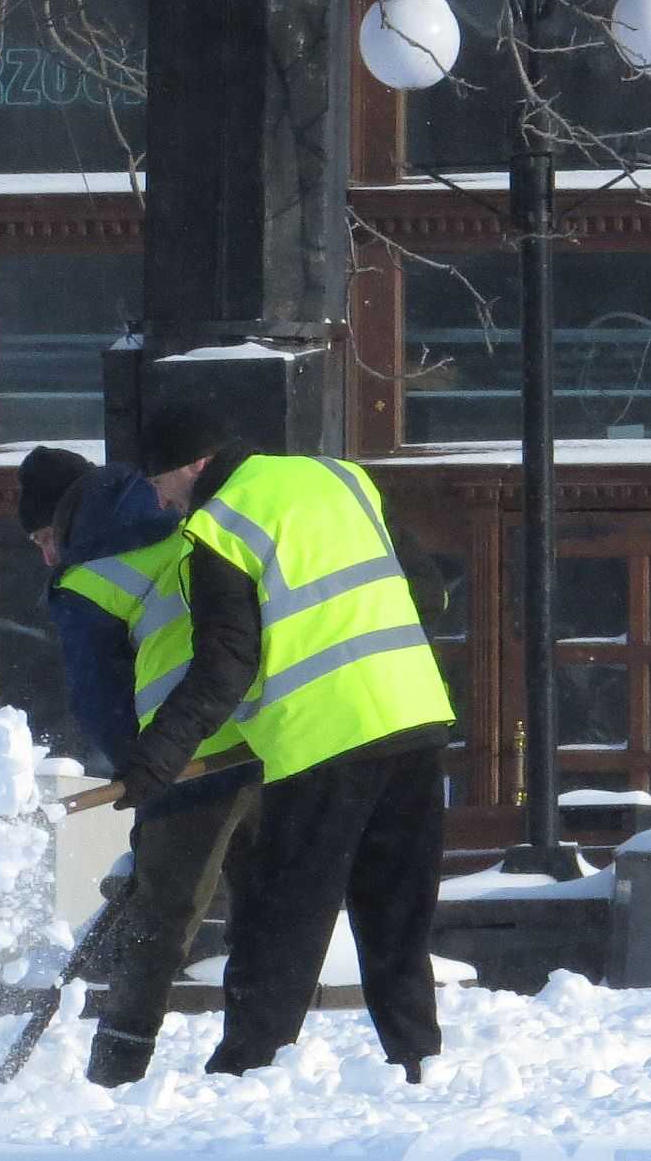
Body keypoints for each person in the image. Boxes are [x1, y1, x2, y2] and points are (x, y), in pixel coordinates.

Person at [114, 405, 455, 1084]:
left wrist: (158, 755)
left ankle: (246, 1067)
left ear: (193, 465)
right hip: (414, 714)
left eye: (158, 483)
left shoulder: (219, 527)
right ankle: (416, 1060)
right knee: (396, 908)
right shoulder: (340, 479)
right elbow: (425, 590)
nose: (159, 500)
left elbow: (222, 664)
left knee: (283, 913)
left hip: (321, 740)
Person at [15, 445, 264, 1089]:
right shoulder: (188, 519)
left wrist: (141, 777)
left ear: (65, 519)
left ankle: (116, 1070)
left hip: (184, 759)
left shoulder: (87, 576)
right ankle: (260, 1058)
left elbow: (99, 698)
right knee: (268, 907)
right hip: (265, 734)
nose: (47, 554)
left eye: (44, 537)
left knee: (160, 920)